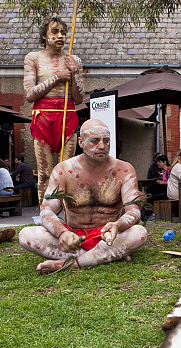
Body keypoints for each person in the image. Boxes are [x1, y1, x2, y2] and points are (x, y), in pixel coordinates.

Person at [18, 119, 147, 274]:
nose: (102, 146)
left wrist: (117, 226)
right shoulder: (64, 170)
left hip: (108, 237)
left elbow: (133, 211)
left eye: (106, 141)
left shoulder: (124, 169)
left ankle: (71, 264)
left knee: (139, 233)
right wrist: (62, 233)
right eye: (94, 141)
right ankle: (104, 256)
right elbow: (46, 211)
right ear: (80, 142)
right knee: (26, 235)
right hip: (74, 238)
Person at [23, 16, 85, 201]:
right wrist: (56, 77)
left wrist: (73, 73)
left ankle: (68, 215)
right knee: (45, 173)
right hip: (43, 119)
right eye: (55, 32)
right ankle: (45, 215)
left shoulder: (73, 60)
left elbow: (79, 98)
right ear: (44, 35)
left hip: (67, 116)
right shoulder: (33, 58)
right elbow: (29, 95)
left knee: (68, 172)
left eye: (63, 33)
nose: (60, 36)